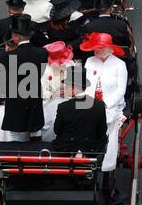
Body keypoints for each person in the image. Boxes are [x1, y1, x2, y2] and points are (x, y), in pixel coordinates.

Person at [0, 14, 48, 142]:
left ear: (15, 37)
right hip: (34, 101)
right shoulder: (42, 53)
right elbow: (41, 73)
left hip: (15, 104)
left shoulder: (7, 57)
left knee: (15, 139)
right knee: (36, 137)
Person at [80, 32, 128, 172]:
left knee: (108, 125)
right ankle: (82, 159)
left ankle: (106, 165)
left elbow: (120, 91)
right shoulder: (90, 61)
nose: (96, 51)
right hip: (90, 101)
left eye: (99, 48)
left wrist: (105, 104)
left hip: (111, 104)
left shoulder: (120, 65)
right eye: (95, 48)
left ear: (108, 49)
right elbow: (85, 84)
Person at [52, 65, 108, 153]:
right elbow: (102, 131)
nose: (65, 88)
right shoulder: (99, 105)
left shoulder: (63, 107)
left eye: (67, 86)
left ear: (73, 88)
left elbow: (57, 130)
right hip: (91, 150)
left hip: (66, 149)